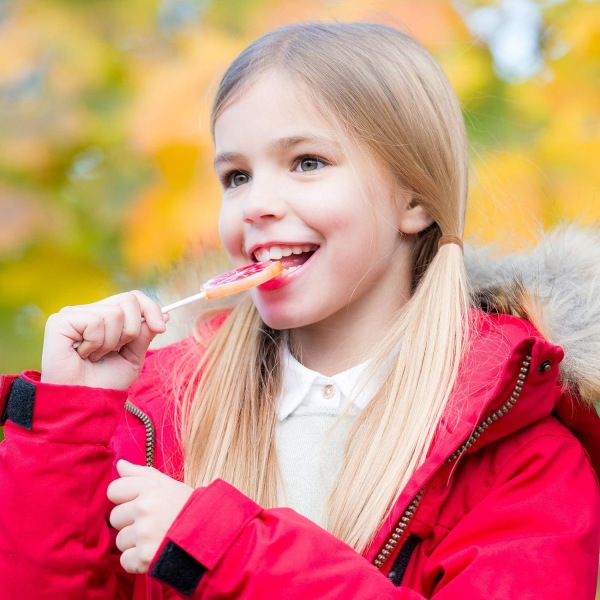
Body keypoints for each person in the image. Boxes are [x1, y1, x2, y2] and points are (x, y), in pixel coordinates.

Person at [1, 21, 599, 599]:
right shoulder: (159, 414)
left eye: (307, 163)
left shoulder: (521, 452)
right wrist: (68, 427)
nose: (256, 203)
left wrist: (225, 548)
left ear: (416, 199)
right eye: (236, 176)